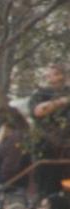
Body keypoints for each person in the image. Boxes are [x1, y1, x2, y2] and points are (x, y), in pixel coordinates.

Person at [29, 64, 70, 201]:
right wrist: (62, 101)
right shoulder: (40, 94)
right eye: (54, 74)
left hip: (66, 154)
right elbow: (38, 111)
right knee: (47, 193)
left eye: (61, 73)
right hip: (46, 151)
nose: (58, 77)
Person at [0, 111, 32, 207]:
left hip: (4, 182)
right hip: (9, 185)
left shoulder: (11, 139)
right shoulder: (16, 139)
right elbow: (10, 165)